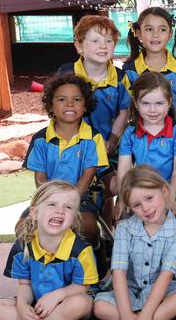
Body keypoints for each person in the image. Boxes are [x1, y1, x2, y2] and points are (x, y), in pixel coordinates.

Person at [123, 7, 176, 264]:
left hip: (175, 134)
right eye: (148, 29)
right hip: (144, 131)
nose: (155, 34)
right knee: (143, 188)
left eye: (162, 29)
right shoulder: (130, 68)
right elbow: (126, 106)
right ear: (138, 34)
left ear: (170, 33)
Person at [22, 74, 109, 275]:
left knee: (87, 227)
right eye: (62, 99)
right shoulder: (41, 138)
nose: (70, 104)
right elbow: (40, 179)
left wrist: (70, 201)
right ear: (51, 106)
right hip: (48, 196)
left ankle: (96, 252)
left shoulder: (93, 137)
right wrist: (53, 202)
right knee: (25, 226)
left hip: (83, 195)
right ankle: (39, 271)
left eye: (77, 99)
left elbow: (88, 176)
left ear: (85, 106)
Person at [58, 14, 131, 226]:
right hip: (78, 145)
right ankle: (83, 233)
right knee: (81, 189)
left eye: (109, 41)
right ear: (79, 46)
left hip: (109, 145)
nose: (103, 46)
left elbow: (124, 110)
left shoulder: (118, 76)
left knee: (111, 188)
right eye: (96, 40)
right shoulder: (68, 74)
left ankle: (107, 234)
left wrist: (114, 139)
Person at [94, 165, 176, 320]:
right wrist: (126, 315)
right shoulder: (124, 229)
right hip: (129, 291)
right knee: (100, 307)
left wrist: (145, 315)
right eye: (136, 205)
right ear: (129, 207)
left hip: (163, 293)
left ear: (164, 191)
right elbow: (119, 273)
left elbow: (165, 276)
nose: (145, 208)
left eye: (149, 198)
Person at [0, 181, 97, 320]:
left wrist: (56, 296)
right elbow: (24, 284)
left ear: (74, 219)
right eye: (52, 204)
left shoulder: (81, 250)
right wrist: (22, 306)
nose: (59, 211)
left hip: (67, 304)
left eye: (68, 207)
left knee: (81, 303)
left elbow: (82, 288)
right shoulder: (23, 246)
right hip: (38, 305)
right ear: (34, 213)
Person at [117, 72, 176, 225]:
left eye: (159, 103)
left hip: (170, 186)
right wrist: (122, 197)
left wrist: (170, 196)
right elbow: (124, 170)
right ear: (136, 103)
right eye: (145, 103)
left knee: (166, 222)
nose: (152, 110)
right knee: (126, 220)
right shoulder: (130, 132)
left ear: (169, 102)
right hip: (139, 188)